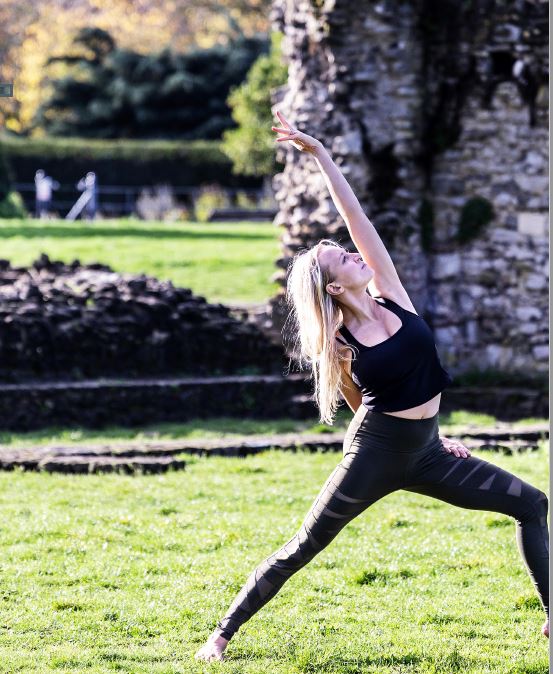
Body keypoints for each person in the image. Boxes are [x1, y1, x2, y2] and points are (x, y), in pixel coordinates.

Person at [194, 110, 549, 661]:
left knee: (532, 503)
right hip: (375, 455)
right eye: (343, 258)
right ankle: (220, 636)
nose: (355, 253)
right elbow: (364, 404)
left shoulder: (393, 297)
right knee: (304, 546)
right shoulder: (341, 345)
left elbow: (358, 220)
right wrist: (386, 441)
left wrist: (322, 157)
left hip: (429, 452)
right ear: (335, 285)